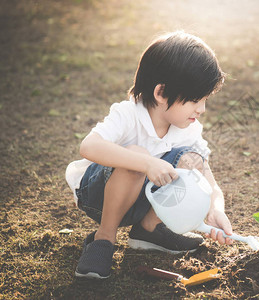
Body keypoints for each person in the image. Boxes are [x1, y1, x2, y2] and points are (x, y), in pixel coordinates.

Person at [65, 31, 233, 279]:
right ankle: (103, 239)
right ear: (161, 93)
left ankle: (148, 229)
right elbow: (89, 147)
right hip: (99, 196)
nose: (202, 109)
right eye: (196, 100)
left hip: (142, 202)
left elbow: (207, 177)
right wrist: (145, 162)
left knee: (191, 159)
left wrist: (215, 209)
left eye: (205, 99)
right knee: (136, 155)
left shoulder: (188, 128)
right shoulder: (128, 114)